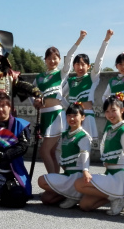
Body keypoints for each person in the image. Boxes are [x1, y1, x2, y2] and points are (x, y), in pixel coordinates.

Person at [74, 94, 124, 216]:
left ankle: (120, 197)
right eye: (107, 111)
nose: (110, 114)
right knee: (85, 205)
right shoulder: (110, 129)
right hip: (110, 174)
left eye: (113, 110)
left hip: (121, 176)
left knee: (79, 184)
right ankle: (121, 198)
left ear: (122, 110)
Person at [32, 30, 87, 175]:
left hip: (56, 115)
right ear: (45, 60)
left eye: (55, 58)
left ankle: (53, 181)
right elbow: (31, 92)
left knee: (44, 151)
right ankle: (58, 180)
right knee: (52, 152)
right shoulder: (39, 77)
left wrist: (79, 39)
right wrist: (35, 101)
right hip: (44, 115)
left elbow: (70, 56)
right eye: (49, 58)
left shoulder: (61, 74)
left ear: (59, 59)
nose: (52, 61)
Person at [37, 103, 91, 208]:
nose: (72, 118)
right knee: (46, 199)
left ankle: (75, 194)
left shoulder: (83, 136)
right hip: (67, 174)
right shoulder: (65, 134)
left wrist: (85, 171)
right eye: (69, 115)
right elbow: (58, 152)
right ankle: (72, 194)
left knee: (42, 180)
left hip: (77, 175)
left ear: (83, 117)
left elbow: (85, 154)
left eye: (75, 115)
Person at [65, 29, 112, 144]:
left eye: (83, 64)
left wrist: (106, 40)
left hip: (86, 116)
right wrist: (69, 108)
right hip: (72, 117)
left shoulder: (92, 78)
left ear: (88, 66)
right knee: (71, 145)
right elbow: (59, 96)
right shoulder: (70, 80)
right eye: (77, 64)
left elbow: (99, 60)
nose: (80, 67)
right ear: (73, 66)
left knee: (85, 145)